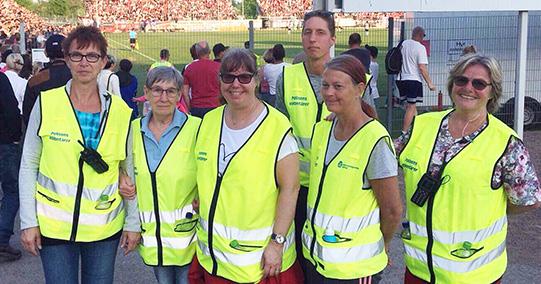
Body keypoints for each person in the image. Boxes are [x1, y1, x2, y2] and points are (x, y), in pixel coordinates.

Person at [395, 54, 541, 284]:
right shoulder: (422, 125)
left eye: (479, 83)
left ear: (493, 91)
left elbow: (528, 200)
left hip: (475, 275)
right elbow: (382, 155)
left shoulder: (506, 143)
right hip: (419, 270)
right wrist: (349, 116)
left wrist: (490, 206)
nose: (468, 88)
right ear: (452, 84)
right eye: (461, 80)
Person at [19, 25, 140, 283]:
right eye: (77, 55)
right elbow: (29, 163)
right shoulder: (47, 102)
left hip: (102, 228)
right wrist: (28, 221)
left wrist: (132, 221)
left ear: (104, 62)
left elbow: (128, 167)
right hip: (55, 227)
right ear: (67, 58)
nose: (84, 63)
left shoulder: (120, 111)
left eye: (92, 56)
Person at [188, 48, 303, 283]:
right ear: (220, 81)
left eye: (244, 77)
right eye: (228, 77)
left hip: (259, 264)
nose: (236, 84)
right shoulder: (209, 121)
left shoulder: (277, 127)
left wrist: (277, 243)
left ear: (257, 80)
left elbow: (290, 189)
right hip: (215, 260)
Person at [303, 54, 402, 283]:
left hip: (354, 267)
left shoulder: (375, 139)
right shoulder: (322, 129)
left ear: (359, 89)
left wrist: (383, 244)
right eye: (325, 85)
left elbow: (393, 210)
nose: (328, 92)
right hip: (317, 259)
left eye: (338, 86)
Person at [119, 66, 201, 284]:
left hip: (188, 237)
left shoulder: (197, 128)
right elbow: (127, 175)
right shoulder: (133, 130)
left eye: (171, 91)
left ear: (179, 94)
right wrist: (132, 224)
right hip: (153, 239)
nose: (163, 97)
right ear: (146, 92)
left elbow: (209, 170)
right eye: (157, 90)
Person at [275, 9, 336, 264]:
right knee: (299, 256)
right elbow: (277, 132)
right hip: (296, 186)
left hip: (335, 187)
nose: (313, 39)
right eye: (307, 32)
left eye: (320, 32)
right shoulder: (288, 77)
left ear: (332, 39)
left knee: (328, 257)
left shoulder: (354, 79)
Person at [23, 34, 72, 128]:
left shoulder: (36, 80)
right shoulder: (80, 77)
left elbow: (28, 116)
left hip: (44, 135)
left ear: (45, 53)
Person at [0, 71, 23, 262]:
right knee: (12, 191)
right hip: (4, 143)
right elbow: (11, 110)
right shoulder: (1, 79)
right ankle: (1, 238)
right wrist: (15, 137)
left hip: (5, 141)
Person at [396, 26, 436, 133]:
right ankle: (404, 133)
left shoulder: (403, 44)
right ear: (420, 35)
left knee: (411, 106)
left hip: (401, 79)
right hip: (413, 79)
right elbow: (422, 68)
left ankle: (415, 128)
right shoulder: (420, 48)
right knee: (411, 106)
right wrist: (430, 83)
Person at [181, 41, 221, 118]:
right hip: (215, 106)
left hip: (197, 107)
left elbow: (185, 93)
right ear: (209, 52)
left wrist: (190, 108)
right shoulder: (218, 67)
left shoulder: (189, 68)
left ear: (196, 53)